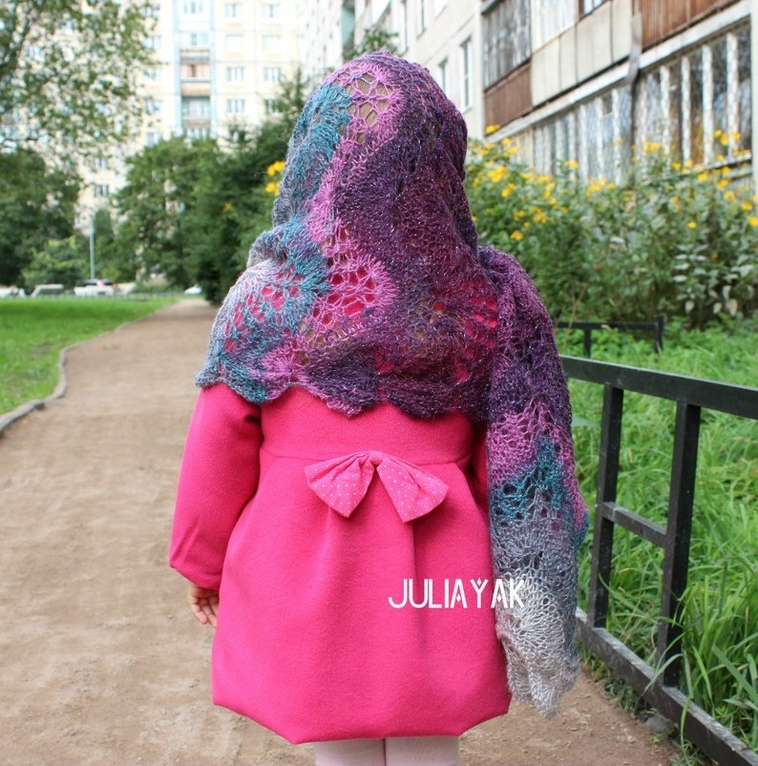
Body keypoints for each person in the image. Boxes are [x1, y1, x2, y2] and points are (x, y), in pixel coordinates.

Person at [169, 52, 588, 766]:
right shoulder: (484, 299)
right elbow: (517, 458)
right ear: (442, 168)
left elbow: (218, 448)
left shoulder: (267, 297)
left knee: (339, 736)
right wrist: (520, 578)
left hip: (301, 562)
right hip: (441, 569)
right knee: (431, 736)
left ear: (316, 158)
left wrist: (202, 562)